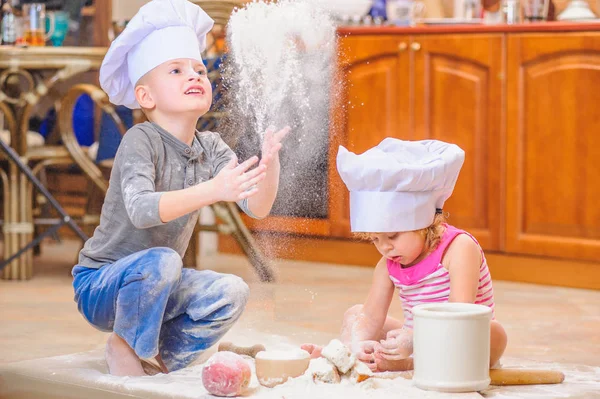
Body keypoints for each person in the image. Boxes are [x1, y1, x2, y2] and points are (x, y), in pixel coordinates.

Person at [71, 0, 289, 377]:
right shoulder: (141, 140)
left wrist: (269, 168)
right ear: (146, 97)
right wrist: (213, 190)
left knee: (231, 291)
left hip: (160, 282)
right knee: (164, 259)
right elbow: (140, 210)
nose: (195, 76)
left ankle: (160, 360)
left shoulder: (212, 147)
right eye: (176, 70)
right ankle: (123, 344)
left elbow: (257, 208)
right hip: (101, 285)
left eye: (200, 70)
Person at [302, 138, 507, 372]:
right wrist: (357, 344)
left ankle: (408, 363)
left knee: (493, 332)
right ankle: (345, 359)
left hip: (459, 339)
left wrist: (414, 338)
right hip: (415, 341)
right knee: (355, 315)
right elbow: (370, 318)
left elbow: (459, 313)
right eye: (376, 240)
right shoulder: (388, 264)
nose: (385, 248)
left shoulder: (459, 248)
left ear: (423, 222)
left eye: (393, 236)